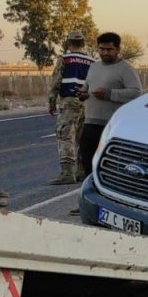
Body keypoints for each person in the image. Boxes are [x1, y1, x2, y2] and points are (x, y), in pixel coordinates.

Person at [77, 33, 143, 178]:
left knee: (110, 169)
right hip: (90, 122)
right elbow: (87, 87)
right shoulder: (94, 67)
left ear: (118, 49)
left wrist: (109, 94)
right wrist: (83, 93)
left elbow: (136, 93)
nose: (105, 53)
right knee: (88, 163)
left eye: (109, 49)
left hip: (112, 127)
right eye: (102, 49)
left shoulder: (126, 69)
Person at [46, 31, 95, 184]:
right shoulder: (92, 61)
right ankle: (82, 171)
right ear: (83, 43)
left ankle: (67, 173)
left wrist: (51, 100)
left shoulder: (65, 59)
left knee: (65, 135)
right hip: (87, 103)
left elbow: (56, 81)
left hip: (69, 101)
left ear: (69, 43)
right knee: (82, 138)